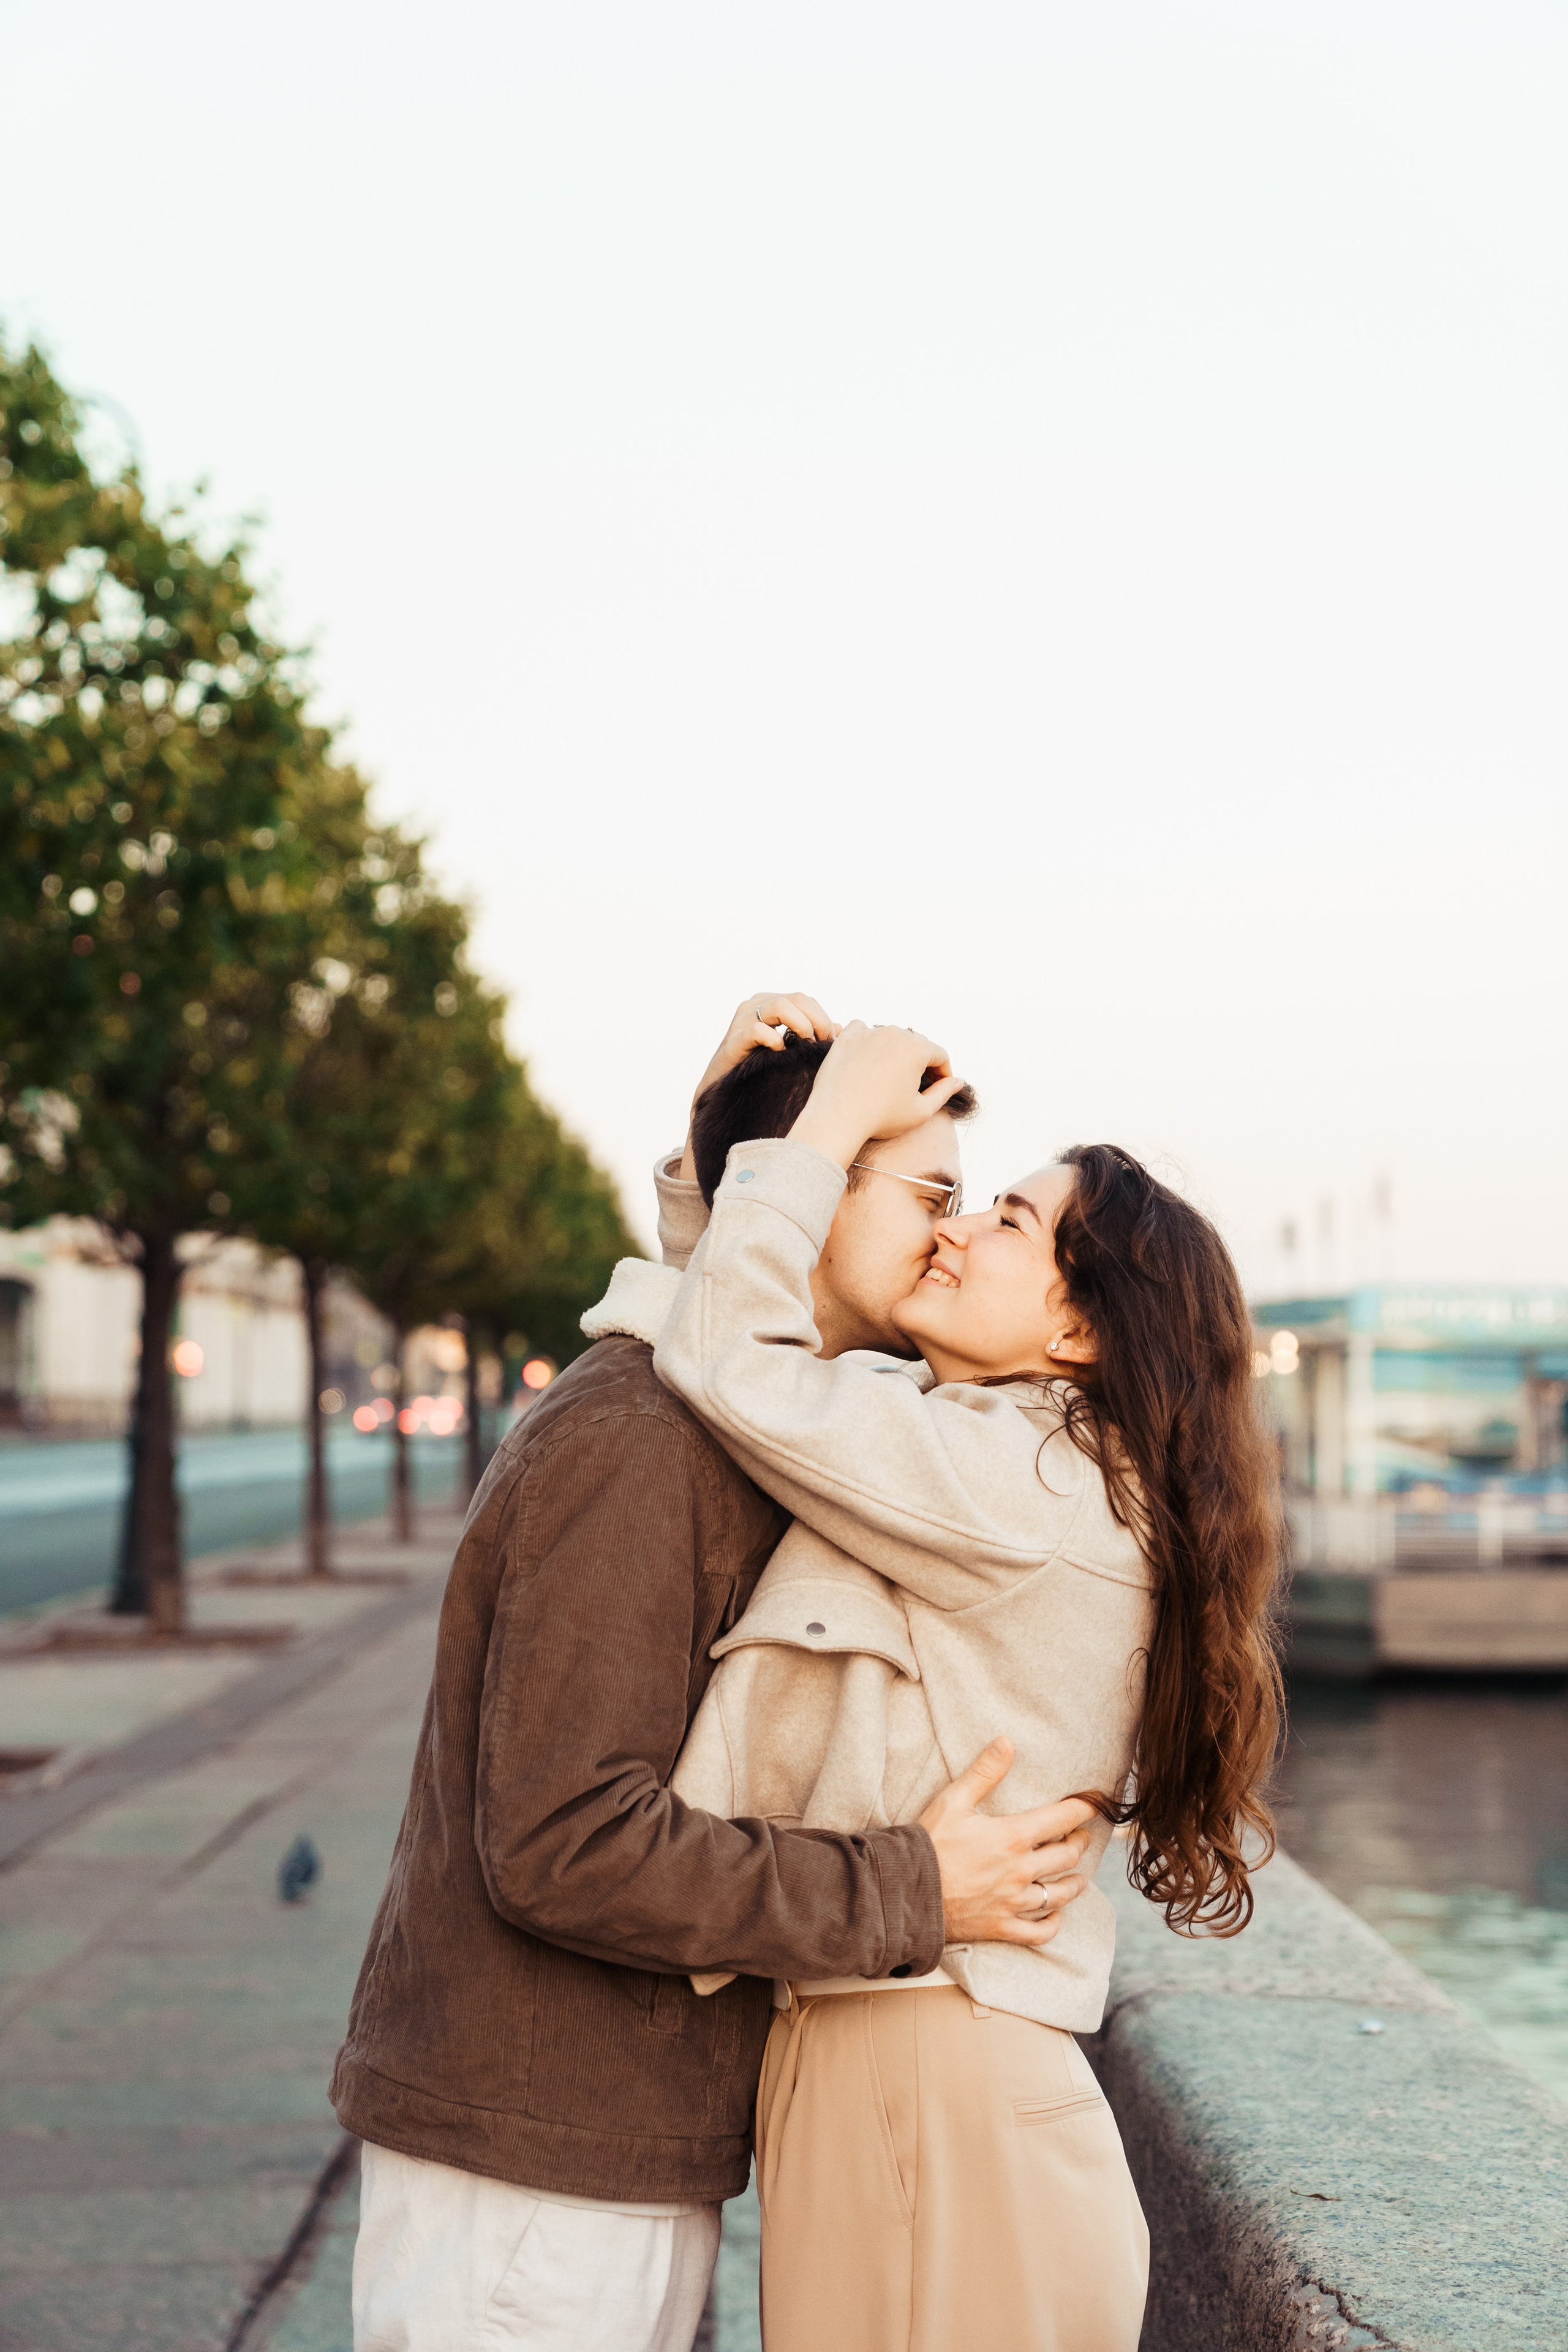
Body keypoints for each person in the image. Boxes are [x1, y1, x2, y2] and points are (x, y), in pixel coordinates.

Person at [331, 994, 1096, 2352]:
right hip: (538, 2170)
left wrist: (718, 1181)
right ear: (807, 1190)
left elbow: (732, 1333)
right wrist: (916, 1890)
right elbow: (565, 1843)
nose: (951, 1233)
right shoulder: (641, 1440)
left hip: (586, 2141)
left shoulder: (714, 1418)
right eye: (932, 1195)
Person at [652, 1019, 1284, 2352]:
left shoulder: (1024, 1481)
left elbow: (730, 1363)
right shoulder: (996, 1456)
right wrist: (728, 1144)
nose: (954, 1231)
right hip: (914, 2067)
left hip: (928, 2072)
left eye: (1006, 1219)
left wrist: (823, 1123)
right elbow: (754, 1341)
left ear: (1078, 1325)